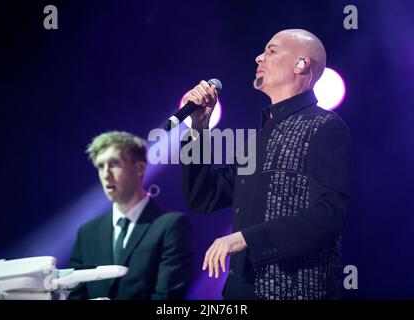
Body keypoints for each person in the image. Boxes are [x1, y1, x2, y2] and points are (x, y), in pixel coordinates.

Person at [181, 29, 351, 300]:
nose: (259, 57)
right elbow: (204, 197)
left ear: (301, 64)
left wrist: (246, 238)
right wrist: (199, 126)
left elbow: (329, 214)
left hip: (294, 291)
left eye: (271, 51)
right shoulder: (258, 139)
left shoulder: (325, 126)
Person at [69, 131, 193, 299]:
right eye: (100, 166)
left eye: (114, 164)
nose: (106, 174)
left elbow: (168, 298)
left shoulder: (171, 225)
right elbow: (74, 293)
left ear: (139, 168)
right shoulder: (87, 233)